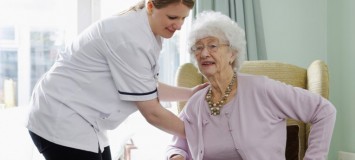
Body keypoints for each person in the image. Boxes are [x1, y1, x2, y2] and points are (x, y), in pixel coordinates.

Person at [26, 0, 208, 159]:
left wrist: (190, 93)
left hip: (83, 119)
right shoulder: (130, 37)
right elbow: (152, 112)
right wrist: (203, 134)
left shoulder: (147, 31)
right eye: (172, 17)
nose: (179, 25)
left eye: (183, 18)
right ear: (150, 6)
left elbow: (145, 86)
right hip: (61, 116)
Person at [166, 11, 336, 160]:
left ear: (232, 53)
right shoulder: (196, 103)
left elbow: (323, 111)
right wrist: (176, 156)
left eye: (212, 45)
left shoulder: (261, 89)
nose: (203, 53)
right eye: (198, 47)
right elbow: (177, 144)